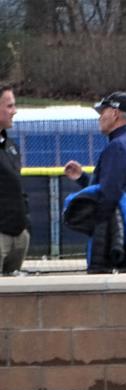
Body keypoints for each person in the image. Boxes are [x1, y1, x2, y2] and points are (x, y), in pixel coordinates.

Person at [64, 91, 126, 273]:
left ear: (115, 113)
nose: (100, 118)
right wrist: (83, 178)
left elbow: (108, 196)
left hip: (112, 238)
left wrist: (79, 212)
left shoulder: (118, 146)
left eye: (103, 112)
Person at [0, 84, 30, 276]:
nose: (15, 111)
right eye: (9, 106)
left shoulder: (10, 146)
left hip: (18, 234)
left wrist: (25, 225)